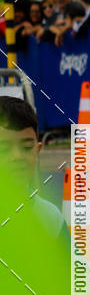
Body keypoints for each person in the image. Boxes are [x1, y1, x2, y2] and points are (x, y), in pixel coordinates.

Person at [0, 96, 68, 242]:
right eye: (4, 148)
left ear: (37, 151)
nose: (17, 156)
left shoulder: (50, 218)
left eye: (26, 147)